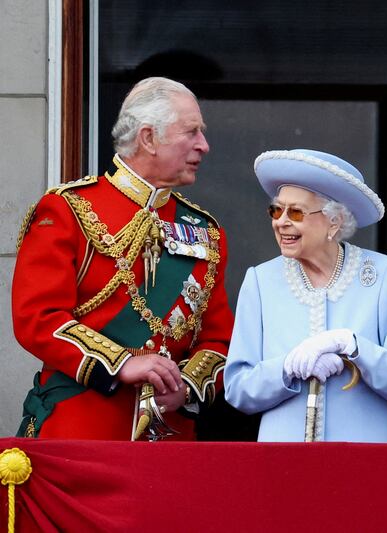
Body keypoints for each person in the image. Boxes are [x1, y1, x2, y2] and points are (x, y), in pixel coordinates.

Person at [12, 77, 233, 440]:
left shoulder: (206, 231)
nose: (204, 146)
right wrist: (122, 364)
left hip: (170, 438)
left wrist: (187, 388)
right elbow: (38, 318)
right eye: (192, 132)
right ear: (148, 138)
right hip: (82, 430)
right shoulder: (69, 210)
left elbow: (220, 341)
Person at [224, 149, 387, 442]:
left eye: (296, 212)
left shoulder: (385, 275)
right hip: (284, 462)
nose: (281, 222)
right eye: (277, 210)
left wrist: (354, 347)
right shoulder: (260, 281)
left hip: (364, 462)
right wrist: (288, 367)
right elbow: (238, 390)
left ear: (334, 221)